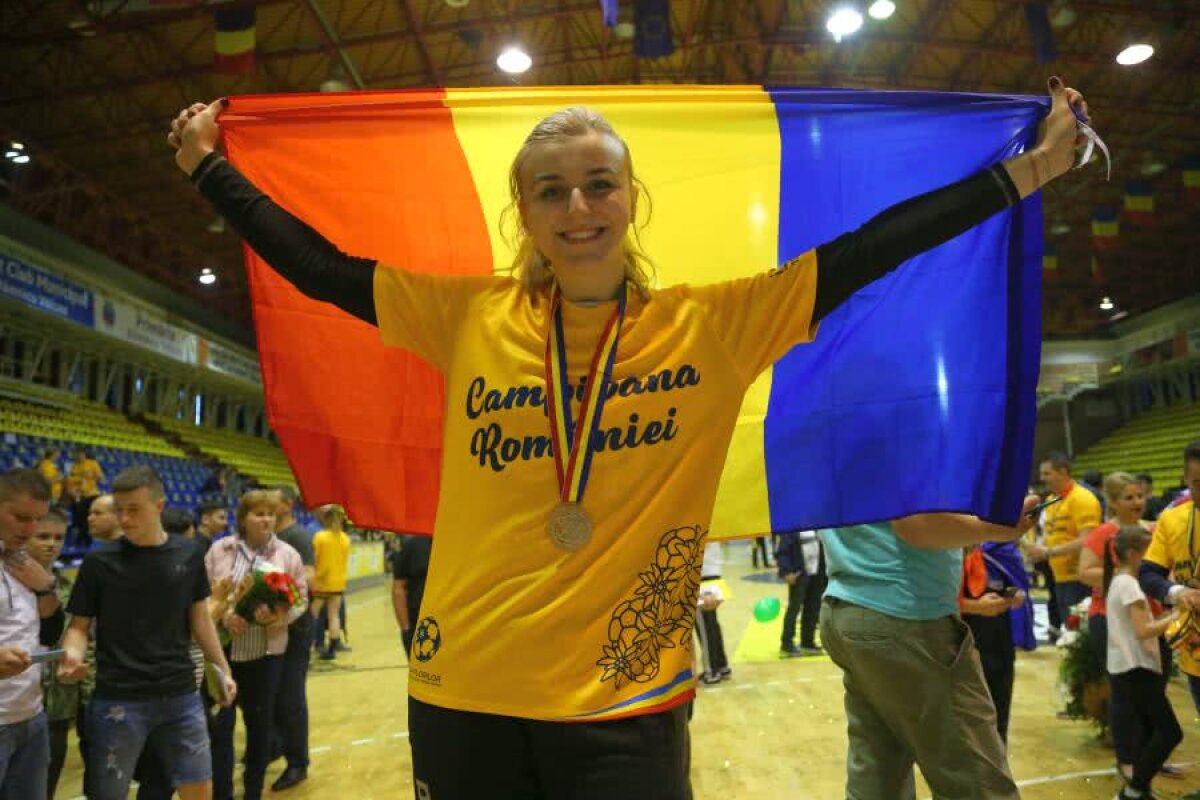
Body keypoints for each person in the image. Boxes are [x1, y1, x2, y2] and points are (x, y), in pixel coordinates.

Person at [169, 76, 1091, 797]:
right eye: (552, 192)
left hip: (627, 697)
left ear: (631, 197)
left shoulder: (714, 326)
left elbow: (877, 246)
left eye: (598, 185)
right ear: (525, 211)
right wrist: (211, 170)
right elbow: (321, 270)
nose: (578, 208)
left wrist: (1030, 171)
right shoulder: (467, 316)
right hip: (464, 687)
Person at [819, 507, 1036, 799]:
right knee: (977, 783)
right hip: (906, 616)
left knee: (878, 774)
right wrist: (1000, 526)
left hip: (848, 605)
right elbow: (917, 524)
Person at [57, 466, 237, 800]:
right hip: (118, 697)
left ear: (158, 506)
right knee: (108, 793)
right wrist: (72, 655)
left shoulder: (189, 554)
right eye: (119, 510)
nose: (124, 518)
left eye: (133, 509)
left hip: (181, 695)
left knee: (199, 788)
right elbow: (79, 627)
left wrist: (223, 670)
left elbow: (200, 621)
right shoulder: (98, 563)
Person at [205, 490, 307, 800]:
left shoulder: (288, 555)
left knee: (259, 726)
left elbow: (300, 600)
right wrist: (224, 617)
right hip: (222, 654)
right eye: (259, 514)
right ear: (243, 518)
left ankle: (252, 791)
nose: (266, 520)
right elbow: (204, 597)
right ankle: (222, 793)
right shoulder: (219, 550)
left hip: (266, 654)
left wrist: (277, 617)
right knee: (220, 728)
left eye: (270, 514)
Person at [1105, 525, 1184, 800]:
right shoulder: (1128, 584)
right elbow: (1143, 631)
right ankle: (1134, 789)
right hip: (1136, 667)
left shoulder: (1120, 580)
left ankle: (1138, 790)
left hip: (1127, 667)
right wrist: (1176, 616)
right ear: (1132, 553)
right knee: (1170, 733)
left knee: (1148, 730)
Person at [0, 468, 58, 800]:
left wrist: (45, 587)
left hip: (31, 714)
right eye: (22, 518)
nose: (30, 529)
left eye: (37, 519)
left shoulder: (23, 562)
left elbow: (51, 630)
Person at [1138, 440, 1200, 714]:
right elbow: (1148, 574)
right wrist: (1178, 593)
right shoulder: (1172, 520)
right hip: (1195, 653)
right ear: (1185, 480)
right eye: (1198, 483)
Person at [26, 507, 80, 800]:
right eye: (43, 536)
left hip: (58, 699)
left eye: (59, 538)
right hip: (15, 697)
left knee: (48, 781)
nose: (52, 544)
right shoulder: (9, 583)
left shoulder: (68, 584)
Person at [959, 541, 1029, 743]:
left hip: (999, 644)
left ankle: (999, 754)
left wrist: (1013, 594)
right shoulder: (944, 554)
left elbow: (1007, 584)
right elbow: (935, 601)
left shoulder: (998, 551)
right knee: (969, 715)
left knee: (999, 710)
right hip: (963, 646)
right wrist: (976, 607)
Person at [269, 485, 314, 792]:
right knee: (272, 693)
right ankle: (276, 744)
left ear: (287, 504)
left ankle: (298, 762)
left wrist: (278, 588)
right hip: (270, 626)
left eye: (272, 501)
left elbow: (309, 575)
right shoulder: (269, 538)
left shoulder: (297, 536)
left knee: (290, 695)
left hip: (295, 626)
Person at [1030, 452, 1102, 626]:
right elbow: (1053, 533)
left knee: (1080, 633)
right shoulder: (1051, 500)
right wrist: (1039, 549)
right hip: (1059, 577)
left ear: (1062, 472)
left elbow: (1089, 539)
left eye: (1047, 473)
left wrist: (1050, 551)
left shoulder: (1082, 499)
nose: (1042, 478)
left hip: (1080, 578)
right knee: (1067, 630)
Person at [775, 529, 826, 657]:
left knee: (813, 608)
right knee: (794, 609)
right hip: (799, 575)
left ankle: (807, 642)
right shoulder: (791, 527)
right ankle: (786, 644)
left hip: (817, 575)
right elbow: (782, 551)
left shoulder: (818, 526)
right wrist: (786, 571)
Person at [311, 505, 352, 660]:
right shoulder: (345, 538)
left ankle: (309, 645)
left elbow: (314, 558)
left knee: (312, 614)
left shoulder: (320, 537)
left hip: (321, 582)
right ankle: (332, 648)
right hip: (338, 582)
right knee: (334, 615)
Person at [694, 541, 731, 686]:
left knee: (704, 627)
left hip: (702, 577)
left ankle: (711, 671)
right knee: (712, 625)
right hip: (714, 575)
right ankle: (722, 666)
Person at [392, 533, 432, 657]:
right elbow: (398, 588)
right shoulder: (412, 546)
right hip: (419, 626)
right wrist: (406, 629)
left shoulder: (458, 546)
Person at [64, 448, 104, 547]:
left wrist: (92, 475)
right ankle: (80, 540)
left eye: (79, 454)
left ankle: (85, 540)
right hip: (79, 496)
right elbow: (71, 481)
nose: (77, 457)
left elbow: (100, 478)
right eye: (75, 455)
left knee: (88, 518)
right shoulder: (74, 467)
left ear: (83, 454)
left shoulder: (92, 463)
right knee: (79, 519)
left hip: (91, 495)